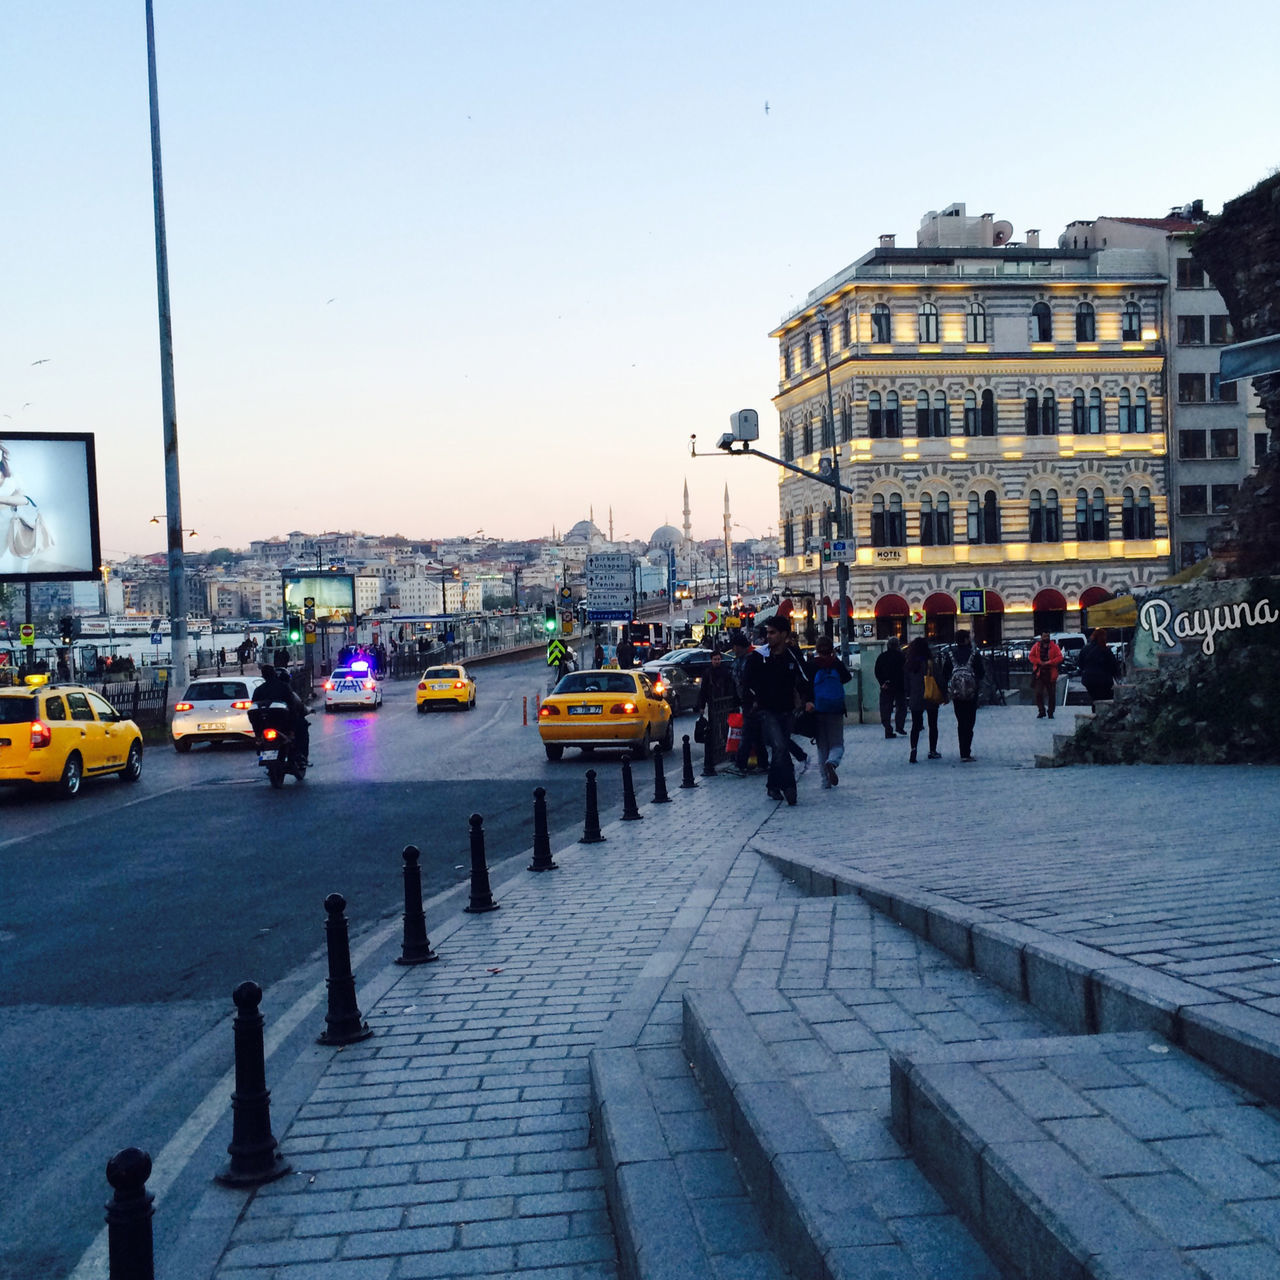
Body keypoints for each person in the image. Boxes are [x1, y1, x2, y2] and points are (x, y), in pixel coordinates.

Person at [742, 614, 812, 805]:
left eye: (773, 633)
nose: (769, 636)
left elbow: (805, 678)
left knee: (780, 749)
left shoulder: (792, 655)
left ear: (784, 634)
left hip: (787, 710)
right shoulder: (758, 657)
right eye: (767, 633)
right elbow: (746, 683)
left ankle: (773, 785)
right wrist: (753, 700)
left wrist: (808, 700)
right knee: (780, 746)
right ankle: (789, 786)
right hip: (766, 710)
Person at [807, 635, 853, 788]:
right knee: (837, 743)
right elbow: (847, 678)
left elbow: (804, 684)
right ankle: (832, 762)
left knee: (822, 746)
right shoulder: (836, 664)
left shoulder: (812, 665)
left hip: (817, 709)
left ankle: (824, 781)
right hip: (836, 709)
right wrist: (835, 659)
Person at [723, 631, 768, 776]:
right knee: (757, 735)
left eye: (735, 646)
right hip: (746, 700)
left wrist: (756, 700)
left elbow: (755, 682)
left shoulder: (751, 659)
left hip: (751, 701)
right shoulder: (739, 659)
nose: (733, 649)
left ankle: (740, 764)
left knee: (748, 733)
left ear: (740, 646)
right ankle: (763, 763)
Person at [251, 664, 310, 766]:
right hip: (284, 725)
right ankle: (301, 757)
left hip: (265, 725)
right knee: (302, 727)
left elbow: (254, 708)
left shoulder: (259, 690)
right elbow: (293, 706)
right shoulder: (283, 687)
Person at [947, 628, 985, 762]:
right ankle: (967, 751)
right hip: (971, 693)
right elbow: (981, 673)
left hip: (957, 694)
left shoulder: (951, 654)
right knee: (970, 722)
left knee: (960, 721)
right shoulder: (974, 654)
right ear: (966, 639)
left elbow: (945, 673)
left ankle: (962, 751)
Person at [904, 636, 944, 763]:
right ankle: (932, 751)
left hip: (915, 698)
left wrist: (907, 695)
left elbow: (905, 682)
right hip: (930, 696)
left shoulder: (909, 664)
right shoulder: (930, 663)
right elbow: (939, 679)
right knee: (933, 725)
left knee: (915, 725)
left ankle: (913, 750)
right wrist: (945, 693)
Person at [696, 647, 736, 757]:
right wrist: (702, 705)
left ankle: (723, 743)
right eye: (715, 659)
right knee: (714, 724)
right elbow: (703, 690)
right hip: (712, 703)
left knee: (724, 724)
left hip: (724, 703)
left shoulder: (726, 672)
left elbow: (730, 687)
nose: (717, 661)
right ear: (711, 660)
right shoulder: (708, 673)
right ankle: (716, 744)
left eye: (718, 659)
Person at [874, 636, 907, 738]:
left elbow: (877, 671)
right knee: (901, 707)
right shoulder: (902, 657)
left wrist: (882, 682)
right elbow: (906, 671)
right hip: (899, 686)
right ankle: (899, 726)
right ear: (898, 645)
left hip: (886, 686)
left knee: (885, 709)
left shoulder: (882, 656)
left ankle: (888, 729)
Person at [1078, 628, 1121, 706]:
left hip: (1089, 680)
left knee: (1095, 699)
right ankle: (1101, 716)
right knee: (1106, 701)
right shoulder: (1105, 650)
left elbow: (1080, 664)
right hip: (1104, 681)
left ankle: (1095, 714)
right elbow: (1113, 665)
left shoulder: (1085, 649)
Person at [1028, 631, 1064, 719]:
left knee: (1051, 694)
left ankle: (1050, 712)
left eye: (1047, 636)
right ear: (1041, 637)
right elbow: (1031, 656)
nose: (1046, 638)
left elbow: (1060, 657)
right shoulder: (1036, 646)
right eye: (1044, 636)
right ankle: (1041, 710)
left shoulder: (1054, 646)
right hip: (1040, 673)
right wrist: (1039, 662)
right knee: (1038, 693)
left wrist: (1050, 662)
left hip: (1050, 673)